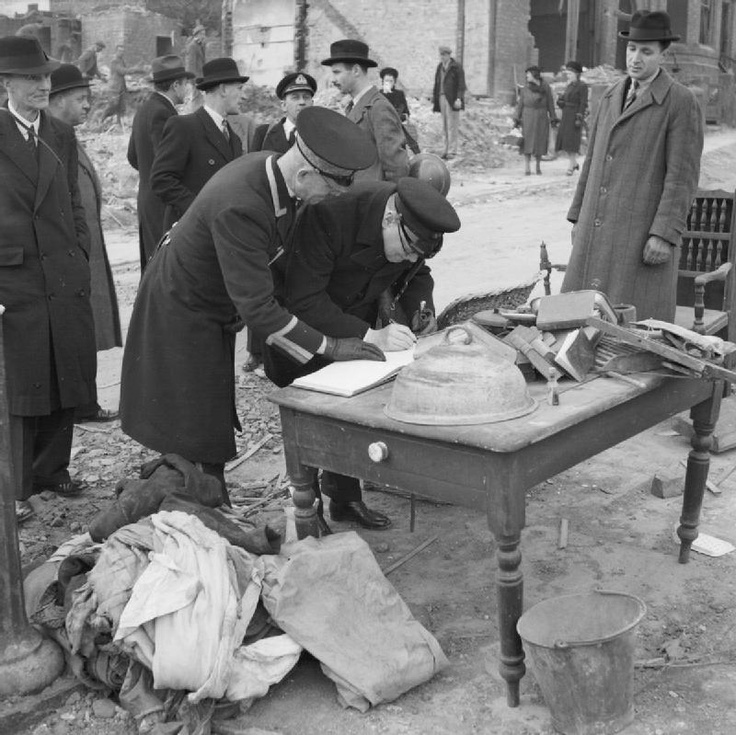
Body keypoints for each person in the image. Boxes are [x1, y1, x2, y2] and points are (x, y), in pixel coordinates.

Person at [120, 107, 381, 501]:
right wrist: (331, 347)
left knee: (208, 408)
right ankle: (194, 498)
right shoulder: (243, 203)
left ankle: (208, 491)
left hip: (211, 300)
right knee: (191, 411)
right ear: (305, 175)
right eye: (330, 189)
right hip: (181, 306)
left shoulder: (272, 172)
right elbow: (259, 309)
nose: (331, 198)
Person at [265, 178, 460, 530]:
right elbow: (303, 298)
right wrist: (369, 335)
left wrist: (420, 308)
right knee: (309, 417)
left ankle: (344, 498)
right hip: (302, 330)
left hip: (354, 326)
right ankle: (309, 509)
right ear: (389, 219)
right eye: (406, 250)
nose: (408, 258)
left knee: (350, 412)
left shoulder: (408, 233)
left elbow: (418, 273)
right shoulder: (329, 214)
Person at [0, 37, 95, 523]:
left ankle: (53, 469)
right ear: (6, 83)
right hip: (14, 278)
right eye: (30, 78)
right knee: (23, 384)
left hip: (62, 271)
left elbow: (74, 201)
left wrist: (79, 250)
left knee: (65, 373)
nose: (41, 85)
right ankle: (17, 488)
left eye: (44, 77)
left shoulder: (60, 133)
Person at [562, 10, 703, 321]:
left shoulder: (680, 102)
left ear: (663, 54)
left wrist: (664, 235)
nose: (636, 58)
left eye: (646, 51)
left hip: (640, 235)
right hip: (595, 228)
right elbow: (592, 162)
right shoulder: (611, 95)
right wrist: (577, 217)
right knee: (578, 321)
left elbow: (682, 177)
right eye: (631, 49)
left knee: (633, 333)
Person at [48, 64, 122, 424]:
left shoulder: (68, 137)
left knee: (86, 329)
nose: (87, 106)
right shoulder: (49, 140)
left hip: (86, 249)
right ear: (56, 101)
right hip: (69, 254)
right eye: (79, 99)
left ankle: (86, 403)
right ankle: (80, 405)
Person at [150, 57, 246, 233]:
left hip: (222, 233)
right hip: (190, 235)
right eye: (239, 89)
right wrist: (198, 210)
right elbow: (161, 179)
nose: (243, 95)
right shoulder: (184, 127)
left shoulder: (235, 140)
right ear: (223, 89)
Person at [127, 55, 194, 271]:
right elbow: (165, 163)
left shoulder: (144, 109)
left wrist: (147, 173)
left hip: (147, 199)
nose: (188, 89)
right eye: (186, 84)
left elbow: (132, 156)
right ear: (176, 85)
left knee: (153, 264)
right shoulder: (164, 113)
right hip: (161, 204)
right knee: (163, 269)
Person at [323, 39, 409, 183]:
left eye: (337, 72)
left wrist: (389, 201)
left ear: (356, 70)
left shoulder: (378, 107)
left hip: (373, 198)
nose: (333, 79)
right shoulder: (355, 105)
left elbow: (396, 167)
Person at [252, 71, 316, 153]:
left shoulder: (321, 134)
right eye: (295, 97)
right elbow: (253, 163)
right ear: (284, 105)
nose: (302, 102)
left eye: (306, 97)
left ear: (312, 104)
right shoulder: (263, 133)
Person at [514, 66, 556, 176]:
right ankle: (527, 167)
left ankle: (538, 165)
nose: (526, 76)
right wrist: (516, 118)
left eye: (528, 74)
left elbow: (550, 104)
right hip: (528, 117)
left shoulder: (545, 88)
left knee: (540, 140)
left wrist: (553, 118)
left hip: (541, 116)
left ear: (534, 75)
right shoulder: (525, 89)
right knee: (527, 141)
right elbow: (520, 105)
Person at [555, 60, 588, 175]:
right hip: (566, 114)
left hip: (574, 115)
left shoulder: (582, 86)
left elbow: (583, 103)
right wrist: (560, 101)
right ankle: (573, 163)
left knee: (572, 141)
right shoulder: (569, 86)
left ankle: (571, 166)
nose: (568, 75)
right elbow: (565, 100)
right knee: (566, 141)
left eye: (570, 73)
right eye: (567, 73)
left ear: (577, 74)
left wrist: (579, 117)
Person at [432, 45, 466, 160]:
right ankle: (445, 149)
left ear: (448, 55)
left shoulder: (456, 67)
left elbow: (461, 85)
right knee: (445, 125)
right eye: (441, 55)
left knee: (452, 125)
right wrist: (434, 97)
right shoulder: (439, 67)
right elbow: (437, 83)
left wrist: (459, 98)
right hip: (441, 97)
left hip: (452, 99)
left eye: (444, 55)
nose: (442, 57)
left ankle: (452, 150)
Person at [100, 44, 143, 131]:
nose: (121, 53)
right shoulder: (115, 61)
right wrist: (135, 69)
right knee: (112, 105)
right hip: (114, 87)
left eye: (123, 51)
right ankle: (101, 120)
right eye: (120, 51)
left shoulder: (121, 60)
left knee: (120, 106)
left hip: (121, 87)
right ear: (116, 51)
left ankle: (119, 123)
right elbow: (122, 71)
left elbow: (124, 71)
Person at [379, 66, 420, 155]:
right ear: (382, 81)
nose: (388, 83)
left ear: (394, 82)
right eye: (386, 81)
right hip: (382, 129)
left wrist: (398, 116)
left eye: (391, 81)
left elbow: (406, 112)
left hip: (397, 128)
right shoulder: (378, 95)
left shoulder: (399, 94)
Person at [184, 24, 206, 112]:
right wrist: (193, 79)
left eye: (204, 34)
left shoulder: (200, 45)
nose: (204, 36)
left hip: (200, 76)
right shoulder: (192, 46)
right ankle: (193, 115)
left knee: (199, 98)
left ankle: (197, 114)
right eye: (202, 34)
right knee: (195, 98)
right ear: (197, 35)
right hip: (196, 78)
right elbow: (190, 64)